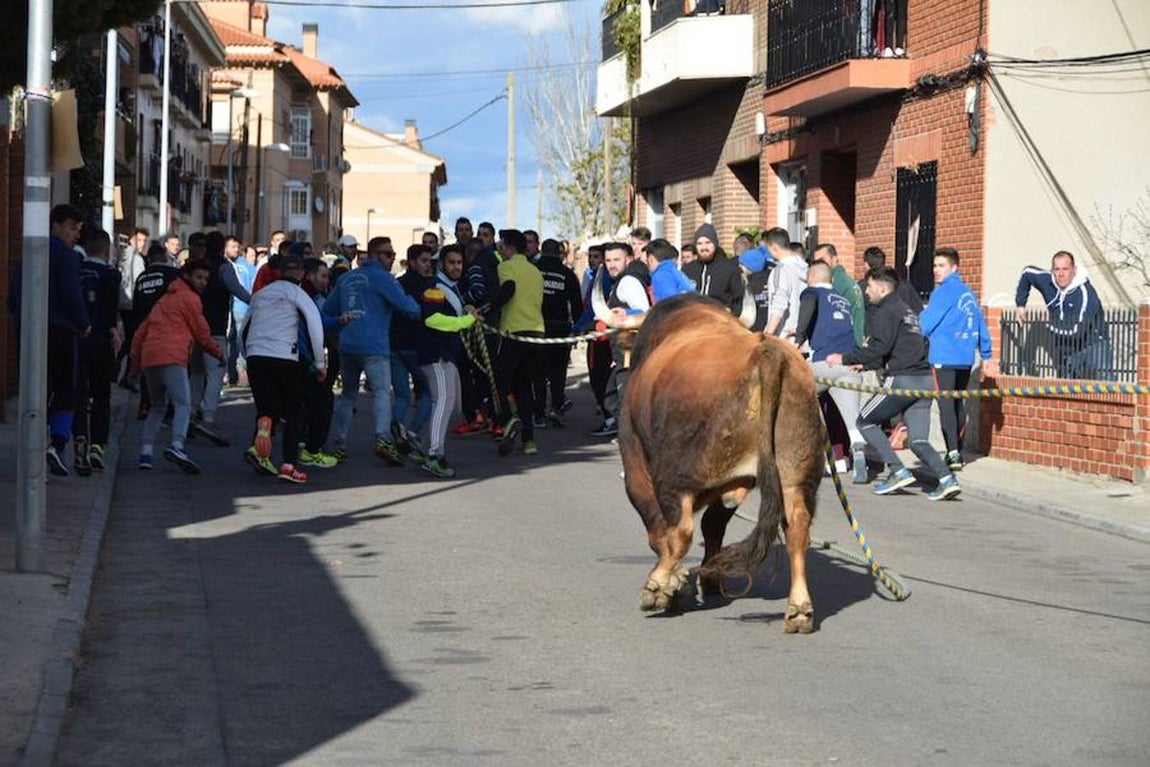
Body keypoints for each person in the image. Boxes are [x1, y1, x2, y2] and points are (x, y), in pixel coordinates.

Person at [826, 266, 960, 500]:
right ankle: (946, 478)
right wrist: (865, 365)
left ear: (882, 287)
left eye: (869, 287)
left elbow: (880, 347)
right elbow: (899, 347)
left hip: (902, 379)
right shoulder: (907, 310)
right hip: (925, 380)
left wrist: (844, 358)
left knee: (864, 421)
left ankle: (897, 470)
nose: (866, 292)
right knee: (918, 440)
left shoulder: (886, 310)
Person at [323, 235, 420, 464]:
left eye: (394, 254)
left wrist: (336, 335)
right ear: (375, 255)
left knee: (347, 396)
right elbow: (409, 309)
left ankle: (339, 444)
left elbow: (327, 310)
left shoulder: (346, 279)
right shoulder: (384, 278)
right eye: (388, 254)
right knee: (382, 393)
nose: (392, 258)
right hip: (374, 347)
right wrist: (422, 305)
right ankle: (383, 439)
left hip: (347, 345)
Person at [240, 248, 326, 483]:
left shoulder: (261, 294)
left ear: (279, 272)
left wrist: (245, 354)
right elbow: (315, 328)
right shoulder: (298, 295)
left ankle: (260, 447)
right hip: (284, 357)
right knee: (295, 410)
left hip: (256, 356)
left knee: (267, 408)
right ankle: (288, 465)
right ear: (301, 273)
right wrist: (320, 363)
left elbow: (243, 328)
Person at [130, 260, 222, 474]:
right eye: (199, 277)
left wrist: (135, 368)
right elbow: (201, 332)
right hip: (173, 356)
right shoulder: (190, 299)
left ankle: (146, 454)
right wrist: (218, 353)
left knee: (157, 407)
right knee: (183, 404)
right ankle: (177, 445)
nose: (203, 282)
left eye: (206, 279)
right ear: (187, 276)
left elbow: (140, 334)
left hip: (150, 358)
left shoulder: (163, 300)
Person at [920, 248, 996, 471]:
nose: (936, 270)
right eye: (934, 266)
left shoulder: (943, 292)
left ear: (954, 268)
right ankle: (957, 450)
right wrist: (987, 354)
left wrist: (909, 335)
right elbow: (981, 323)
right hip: (964, 357)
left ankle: (953, 453)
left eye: (941, 265)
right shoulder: (968, 292)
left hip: (944, 355)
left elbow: (925, 323)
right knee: (957, 404)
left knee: (946, 405)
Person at [793, 260, 868, 484]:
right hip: (849, 364)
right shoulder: (844, 300)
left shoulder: (811, 292)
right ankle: (858, 457)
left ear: (811, 277)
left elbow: (808, 309)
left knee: (796, 397)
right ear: (831, 280)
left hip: (823, 364)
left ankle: (812, 457)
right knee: (852, 419)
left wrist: (798, 340)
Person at [417, 246, 479, 477]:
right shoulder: (435, 288)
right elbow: (432, 319)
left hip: (447, 355)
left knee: (453, 406)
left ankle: (425, 447)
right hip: (437, 355)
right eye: (452, 263)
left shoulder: (450, 289)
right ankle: (434, 454)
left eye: (459, 263)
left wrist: (466, 312)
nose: (456, 267)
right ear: (442, 264)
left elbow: (452, 313)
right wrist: (465, 321)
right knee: (444, 401)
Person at [190, 231, 251, 444]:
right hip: (215, 329)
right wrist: (256, 301)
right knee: (215, 373)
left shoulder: (196, 268)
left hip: (193, 328)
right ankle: (208, 415)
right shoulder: (224, 268)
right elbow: (237, 290)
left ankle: (192, 410)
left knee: (196, 373)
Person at [1014, 250, 1110, 380]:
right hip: (1066, 346)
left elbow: (1077, 331)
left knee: (1106, 387)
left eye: (1065, 269)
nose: (1061, 274)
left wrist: (1049, 325)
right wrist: (1021, 305)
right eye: (1057, 269)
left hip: (1093, 345)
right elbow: (1027, 273)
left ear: (1074, 270)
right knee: (1066, 389)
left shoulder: (1086, 294)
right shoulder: (1048, 281)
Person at [45, 205, 91, 475]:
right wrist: (84, 323)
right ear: (56, 225)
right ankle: (58, 444)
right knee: (67, 390)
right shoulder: (66, 256)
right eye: (72, 227)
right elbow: (71, 293)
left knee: (39, 387)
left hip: (31, 329)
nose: (75, 235)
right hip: (62, 331)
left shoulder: (28, 252)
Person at [492, 228, 545, 456]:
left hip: (513, 333)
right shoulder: (535, 271)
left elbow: (509, 289)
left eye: (502, 245)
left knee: (499, 386)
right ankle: (529, 441)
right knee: (524, 388)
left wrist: (486, 309)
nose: (500, 249)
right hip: (536, 334)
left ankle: (509, 420)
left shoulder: (505, 266)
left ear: (510, 247)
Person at [74, 228, 122, 476]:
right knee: (102, 395)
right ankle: (97, 447)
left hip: (78, 339)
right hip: (102, 340)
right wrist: (114, 329)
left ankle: (80, 438)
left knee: (79, 395)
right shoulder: (110, 275)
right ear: (106, 249)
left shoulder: (77, 270)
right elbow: (114, 305)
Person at [591, 241, 650, 437]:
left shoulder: (628, 282)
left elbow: (646, 312)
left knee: (622, 400)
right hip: (620, 351)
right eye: (608, 260)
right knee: (610, 398)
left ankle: (634, 441)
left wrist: (627, 311)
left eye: (617, 259)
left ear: (629, 259)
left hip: (630, 352)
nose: (611, 264)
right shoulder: (619, 282)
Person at [391, 243, 436, 456]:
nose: (428, 265)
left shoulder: (396, 284)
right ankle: (413, 432)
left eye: (430, 261)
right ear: (412, 261)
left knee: (402, 394)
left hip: (396, 344)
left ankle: (397, 427)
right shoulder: (430, 286)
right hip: (417, 345)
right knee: (429, 392)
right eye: (424, 260)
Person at [297, 258, 342, 468]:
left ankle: (263, 449)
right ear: (310, 275)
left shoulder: (292, 293)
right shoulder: (307, 297)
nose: (326, 281)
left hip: (274, 354)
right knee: (322, 401)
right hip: (301, 356)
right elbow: (318, 326)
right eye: (323, 276)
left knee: (292, 404)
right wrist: (341, 321)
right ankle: (312, 450)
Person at [533, 238, 583, 425]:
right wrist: (576, 329)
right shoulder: (568, 274)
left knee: (538, 372)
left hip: (538, 326)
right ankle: (556, 407)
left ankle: (538, 412)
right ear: (559, 254)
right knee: (558, 371)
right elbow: (577, 304)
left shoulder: (534, 270)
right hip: (560, 327)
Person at [574, 244, 612, 418]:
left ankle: (609, 416)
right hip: (597, 333)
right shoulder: (595, 276)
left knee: (598, 376)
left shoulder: (603, 278)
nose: (591, 260)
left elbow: (593, 308)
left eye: (596, 256)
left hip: (599, 335)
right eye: (590, 256)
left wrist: (577, 327)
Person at [682, 223, 744, 316]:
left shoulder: (730, 269)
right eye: (699, 244)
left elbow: (738, 301)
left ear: (715, 244)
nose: (704, 248)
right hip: (692, 320)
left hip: (719, 322)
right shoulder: (687, 270)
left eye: (708, 243)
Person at [811, 242, 866, 346]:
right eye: (816, 262)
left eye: (822, 260)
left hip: (846, 342)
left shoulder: (836, 281)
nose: (819, 264)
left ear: (834, 258)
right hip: (855, 338)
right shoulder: (846, 279)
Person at [116, 227, 149, 388]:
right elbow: (140, 283)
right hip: (132, 303)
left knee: (128, 340)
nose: (142, 244)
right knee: (133, 341)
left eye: (144, 240)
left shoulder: (122, 255)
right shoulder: (137, 259)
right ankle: (125, 376)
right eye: (139, 240)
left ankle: (118, 371)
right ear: (132, 239)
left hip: (123, 302)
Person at [762, 227, 808, 339]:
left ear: (774, 248)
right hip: (803, 336)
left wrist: (768, 334)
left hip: (784, 337)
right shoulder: (806, 268)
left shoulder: (781, 270)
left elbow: (779, 303)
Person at [226, 235, 255, 386]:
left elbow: (252, 286)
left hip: (243, 308)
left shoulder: (246, 265)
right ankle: (231, 373)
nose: (236, 249)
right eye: (232, 246)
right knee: (231, 343)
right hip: (228, 310)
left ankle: (240, 371)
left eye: (237, 247)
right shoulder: (225, 265)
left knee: (240, 341)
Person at [738, 242, 774, 332]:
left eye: (742, 264)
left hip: (754, 330)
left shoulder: (749, 285)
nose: (739, 266)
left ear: (750, 266)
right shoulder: (771, 279)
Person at [647, 238, 695, 302]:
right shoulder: (674, 271)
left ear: (651, 259)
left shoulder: (661, 275)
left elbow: (668, 304)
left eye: (647, 261)